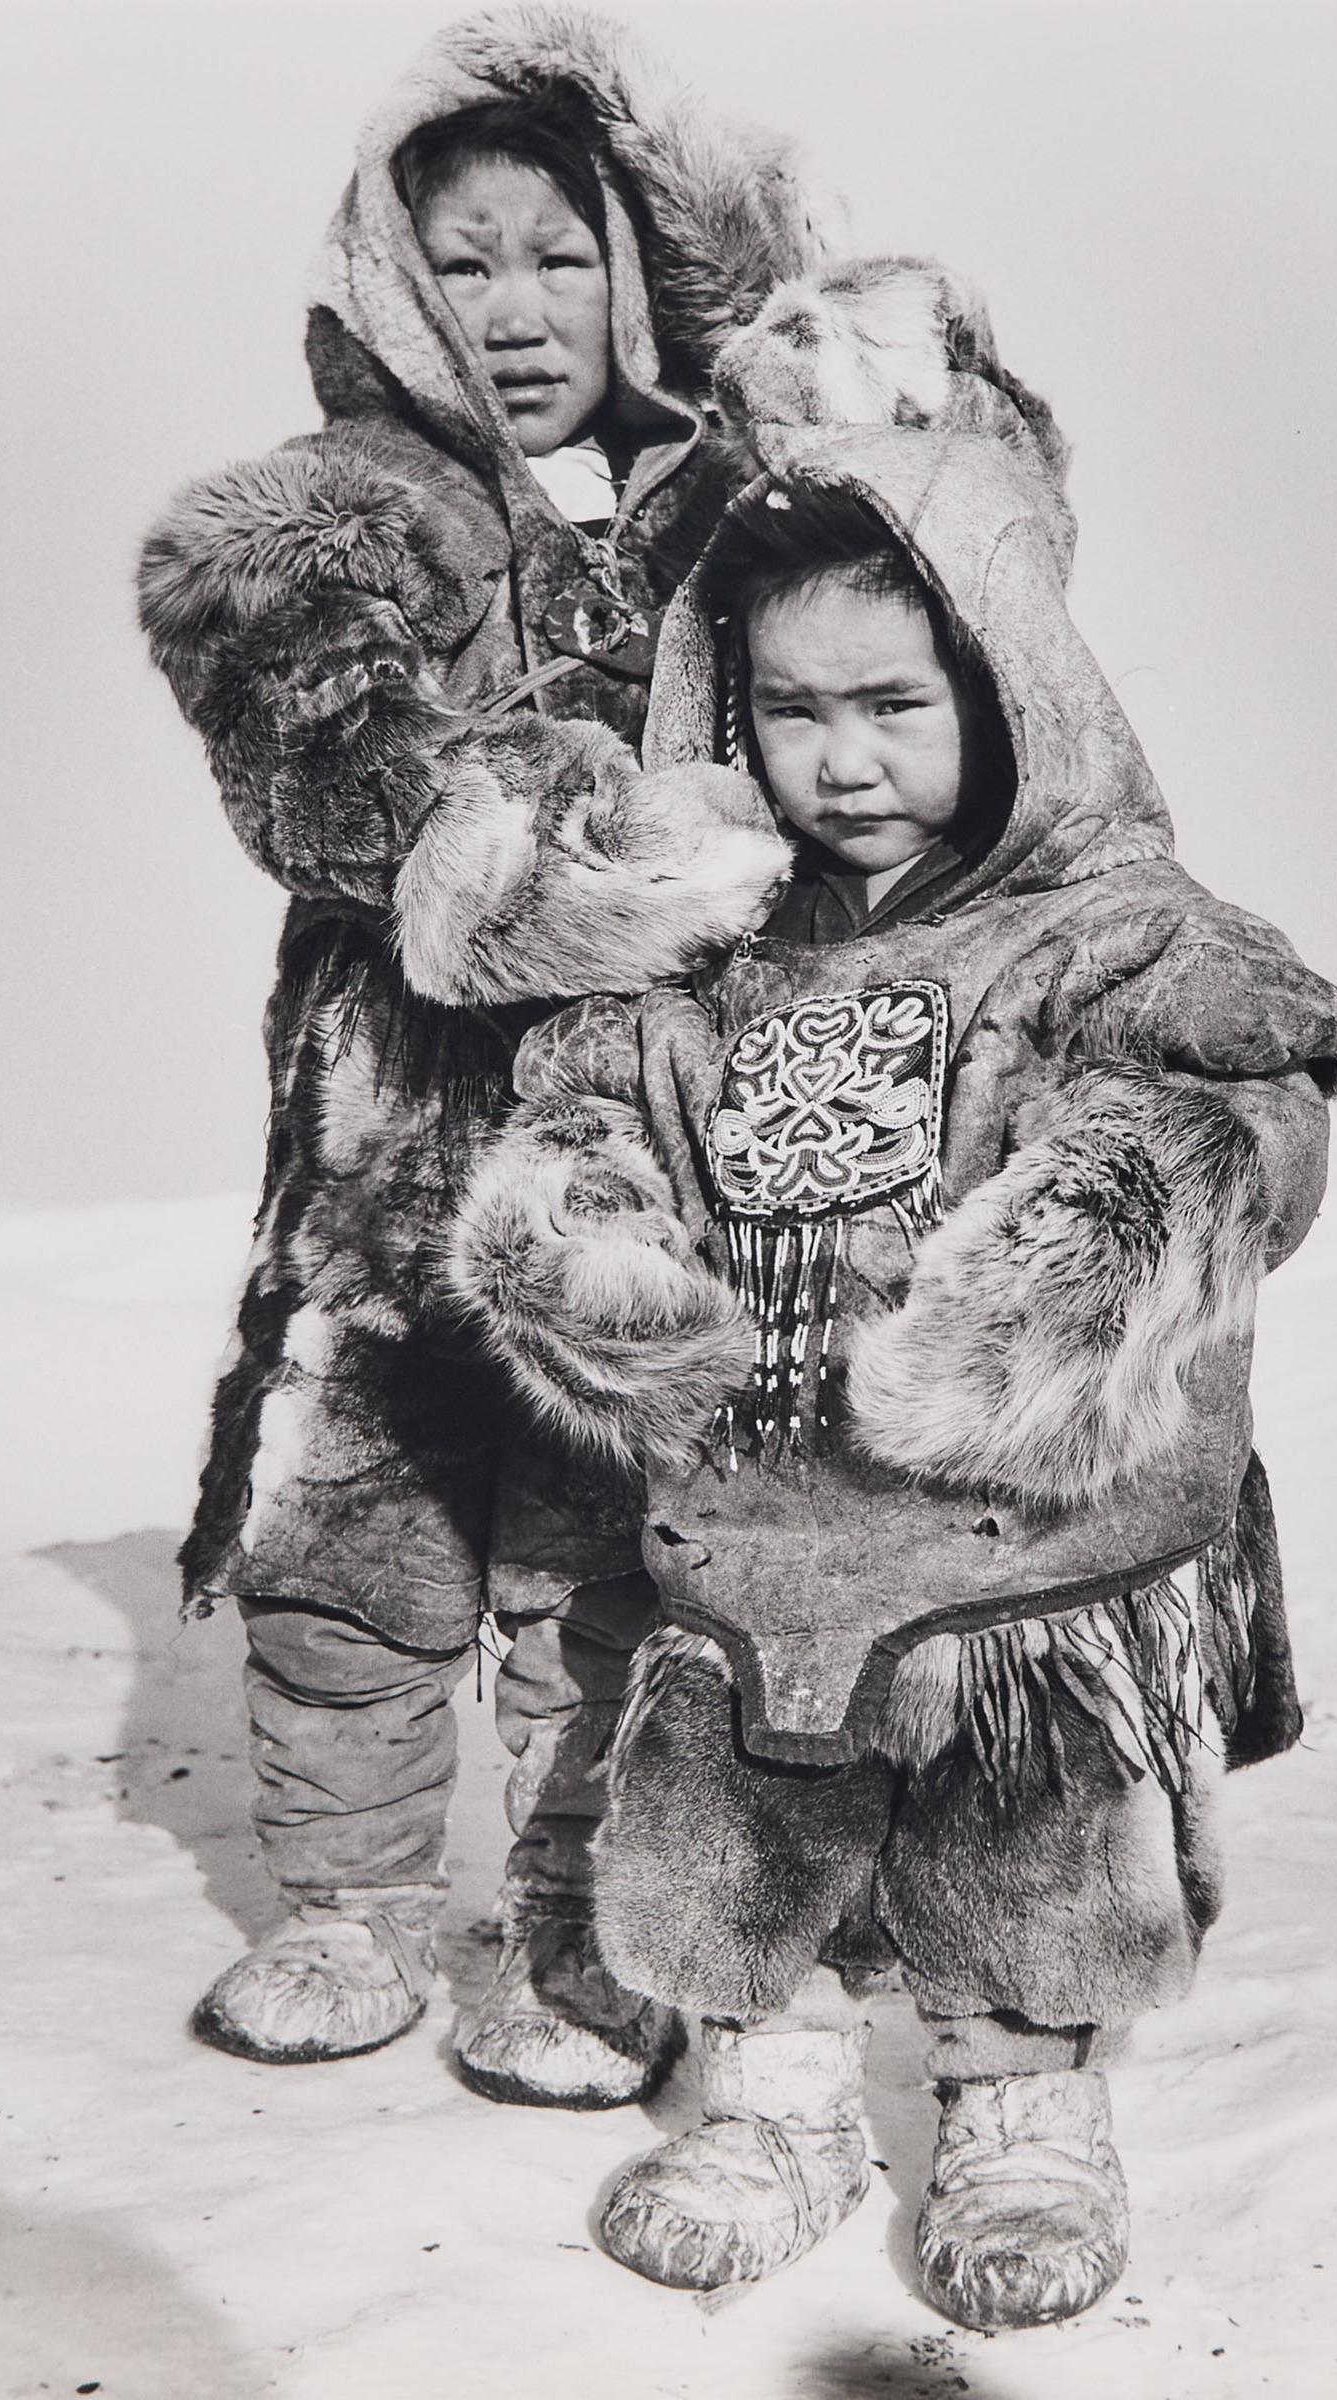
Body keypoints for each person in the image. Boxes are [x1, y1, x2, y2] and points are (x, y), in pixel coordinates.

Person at [448, 399, 1337, 2323]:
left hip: (1017, 1545)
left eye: (895, 702)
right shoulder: (706, 950)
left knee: (1025, 1833)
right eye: (790, 712)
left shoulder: (1110, 931)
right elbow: (582, 1101)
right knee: (735, 1814)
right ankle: (774, 2085)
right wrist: (589, 1235)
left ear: (1010, 687)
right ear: (727, 714)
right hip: (760, 1516)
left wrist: (1102, 1238)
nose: (842, 760)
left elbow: (1252, 1097)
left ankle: (1023, 2107)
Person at [134, 6, 811, 2098]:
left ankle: (556, 1934)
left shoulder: (745, 505)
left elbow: (920, 684)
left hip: (652, 1156)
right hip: (401, 1148)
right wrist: (622, 843)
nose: (512, 310)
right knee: (360, 1544)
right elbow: (332, 775)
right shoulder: (343, 511)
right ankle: (342, 1915)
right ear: (390, 285)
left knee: (599, 1566)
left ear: (639, 264)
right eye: (463, 262)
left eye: (554, 253)